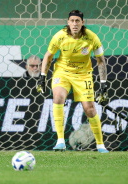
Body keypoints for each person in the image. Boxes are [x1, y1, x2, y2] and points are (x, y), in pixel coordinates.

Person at [37, 10, 109, 153]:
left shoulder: (92, 38)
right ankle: (60, 141)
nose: (75, 24)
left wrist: (103, 83)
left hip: (83, 75)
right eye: (72, 21)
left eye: (77, 21)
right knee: (57, 98)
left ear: (83, 23)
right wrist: (42, 77)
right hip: (62, 72)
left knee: (90, 109)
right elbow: (48, 56)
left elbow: (101, 61)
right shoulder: (59, 36)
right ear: (68, 22)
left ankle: (100, 145)